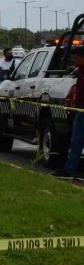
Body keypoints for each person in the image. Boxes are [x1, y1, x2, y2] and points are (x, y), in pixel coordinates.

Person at [53, 46, 84, 179]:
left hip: (82, 112)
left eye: (76, 58)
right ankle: (69, 169)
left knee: (76, 141)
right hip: (79, 110)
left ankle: (69, 170)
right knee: (75, 142)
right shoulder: (80, 71)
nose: (73, 61)